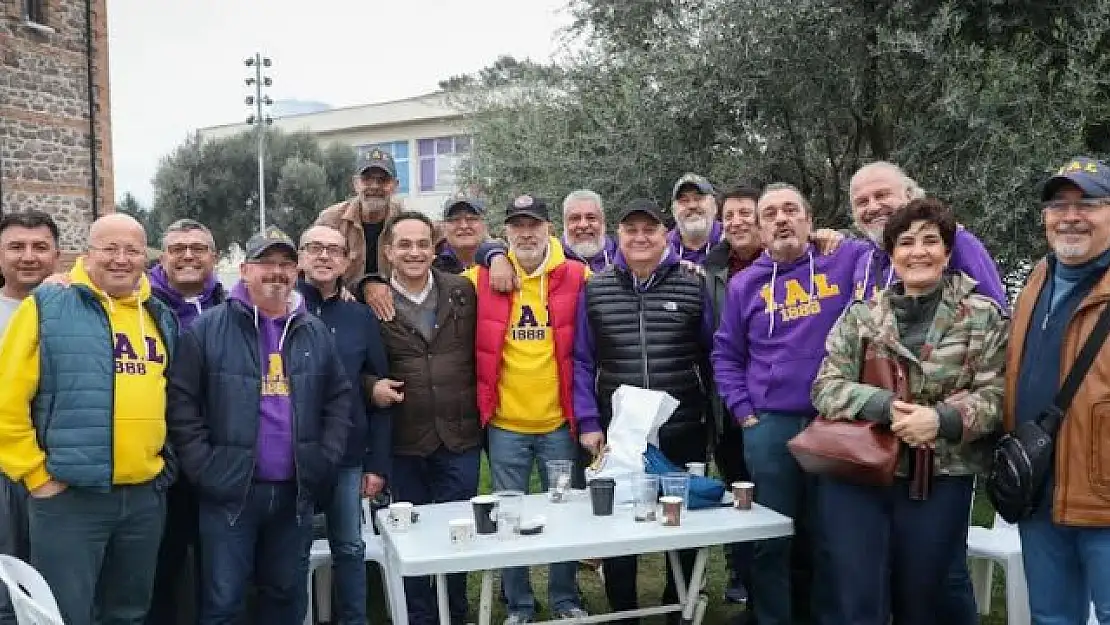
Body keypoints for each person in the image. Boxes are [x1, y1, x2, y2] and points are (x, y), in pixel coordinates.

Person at [811, 197, 1007, 625]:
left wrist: (942, 420)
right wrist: (884, 406)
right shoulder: (861, 316)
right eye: (906, 243)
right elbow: (826, 388)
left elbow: (997, 394)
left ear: (948, 252)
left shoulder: (981, 316)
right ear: (892, 255)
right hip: (862, 473)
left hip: (940, 475)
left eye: (930, 241)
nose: (919, 251)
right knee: (860, 594)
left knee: (926, 593)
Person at [167, 226, 352, 625]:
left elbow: (339, 398)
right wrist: (205, 469)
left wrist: (325, 458)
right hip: (230, 493)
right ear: (245, 270)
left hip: (295, 492)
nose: (277, 272)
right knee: (223, 600)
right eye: (266, 263)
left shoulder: (313, 330)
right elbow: (182, 404)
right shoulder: (208, 329)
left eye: (286, 264)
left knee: (285, 598)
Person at [0, 214, 177, 625]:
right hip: (69, 500)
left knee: (129, 612)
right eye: (109, 249)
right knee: (62, 615)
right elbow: (7, 403)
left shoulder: (157, 315)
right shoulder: (46, 306)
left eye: (132, 250)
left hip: (143, 499)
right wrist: (37, 477)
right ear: (87, 254)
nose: (120, 259)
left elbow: (169, 396)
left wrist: (161, 472)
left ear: (145, 258)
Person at [712, 183, 869, 625]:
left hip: (835, 422)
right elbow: (725, 355)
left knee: (829, 534)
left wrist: (839, 236)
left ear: (809, 218)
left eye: (790, 210)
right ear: (760, 230)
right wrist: (745, 414)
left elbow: (884, 249)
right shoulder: (745, 285)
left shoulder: (845, 260)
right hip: (770, 426)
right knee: (772, 535)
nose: (781, 219)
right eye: (770, 214)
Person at [574, 198, 715, 623]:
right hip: (620, 431)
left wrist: (714, 416)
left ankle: (683, 605)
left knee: (685, 521)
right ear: (619, 235)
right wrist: (587, 420)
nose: (640, 238)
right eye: (631, 230)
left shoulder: (693, 284)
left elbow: (711, 353)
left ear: (663, 235)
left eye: (649, 230)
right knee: (619, 523)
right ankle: (624, 612)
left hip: (684, 425)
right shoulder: (595, 288)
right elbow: (581, 359)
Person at [464, 195, 589, 624]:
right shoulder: (482, 277)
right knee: (507, 520)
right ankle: (518, 604)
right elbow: (428, 277)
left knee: (564, 516)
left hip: (558, 423)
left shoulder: (577, 274)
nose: (527, 232)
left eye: (533, 224)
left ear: (549, 229)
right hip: (505, 425)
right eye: (517, 225)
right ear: (507, 233)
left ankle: (565, 599)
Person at [1006, 157, 1110, 625]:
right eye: (1058, 204)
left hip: (1103, 498)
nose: (1070, 215)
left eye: (1087, 203)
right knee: (1051, 617)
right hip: (1040, 489)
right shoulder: (1038, 278)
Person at [377, 211, 482, 625]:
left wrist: (494, 255)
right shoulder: (373, 300)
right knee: (413, 537)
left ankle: (456, 613)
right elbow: (356, 361)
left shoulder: (462, 291)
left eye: (422, 243)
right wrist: (371, 386)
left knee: (458, 534)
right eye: (404, 244)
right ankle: (419, 616)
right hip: (405, 440)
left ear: (435, 247)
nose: (414, 252)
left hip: (459, 436)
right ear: (388, 252)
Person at [296, 225, 390, 625]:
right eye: (314, 248)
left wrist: (378, 464)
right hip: (289, 456)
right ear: (300, 256)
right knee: (292, 550)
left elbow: (382, 388)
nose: (323, 256)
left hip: (348, 454)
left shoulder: (359, 316)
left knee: (349, 547)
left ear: (347, 261)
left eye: (333, 250)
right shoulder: (278, 309)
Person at [146, 218, 226, 625]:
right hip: (160, 456)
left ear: (214, 257)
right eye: (178, 248)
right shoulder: (140, 303)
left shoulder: (230, 305)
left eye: (198, 247)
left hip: (219, 454)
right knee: (164, 561)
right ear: (163, 257)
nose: (189, 255)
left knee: (220, 562)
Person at [0, 210, 60, 625]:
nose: (28, 256)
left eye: (40, 247)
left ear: (57, 254)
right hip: (4, 473)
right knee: (6, 581)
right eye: (16, 246)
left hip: (57, 471)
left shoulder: (75, 308)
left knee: (51, 586)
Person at [705, 185, 762, 609]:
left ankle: (781, 581)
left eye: (747, 212)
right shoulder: (712, 268)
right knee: (737, 490)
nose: (738, 220)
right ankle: (743, 576)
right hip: (727, 402)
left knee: (776, 497)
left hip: (777, 403)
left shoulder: (792, 261)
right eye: (731, 214)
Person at [316, 148, 403, 286]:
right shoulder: (331, 220)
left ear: (395, 185)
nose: (375, 186)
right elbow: (313, 266)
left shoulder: (405, 221)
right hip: (342, 300)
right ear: (356, 184)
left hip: (394, 301)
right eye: (367, 179)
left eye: (383, 180)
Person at [669, 173, 724, 265]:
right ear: (673, 211)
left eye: (698, 198)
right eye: (684, 200)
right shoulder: (662, 250)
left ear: (714, 206)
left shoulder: (732, 242)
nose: (692, 206)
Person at [561, 189, 617, 271]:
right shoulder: (551, 261)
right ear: (565, 223)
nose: (583, 225)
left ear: (603, 221)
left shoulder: (622, 256)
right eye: (575, 218)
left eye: (591, 218)